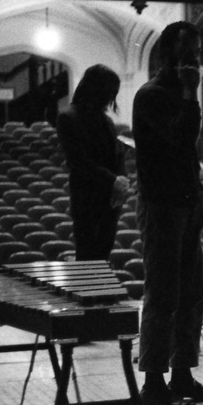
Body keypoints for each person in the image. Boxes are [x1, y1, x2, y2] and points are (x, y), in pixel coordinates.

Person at [132, 21, 203, 405]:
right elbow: (182, 138)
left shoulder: (180, 95)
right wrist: (191, 93)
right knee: (164, 293)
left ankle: (182, 375)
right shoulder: (151, 95)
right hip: (162, 204)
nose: (193, 61)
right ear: (168, 54)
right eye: (186, 53)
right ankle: (154, 383)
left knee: (192, 293)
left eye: (197, 53)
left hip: (188, 201)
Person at [56, 64, 130, 261]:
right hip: (87, 199)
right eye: (109, 92)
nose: (111, 98)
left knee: (103, 256)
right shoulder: (68, 117)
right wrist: (113, 180)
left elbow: (118, 155)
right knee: (88, 258)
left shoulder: (106, 121)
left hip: (110, 200)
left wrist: (122, 181)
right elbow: (79, 161)